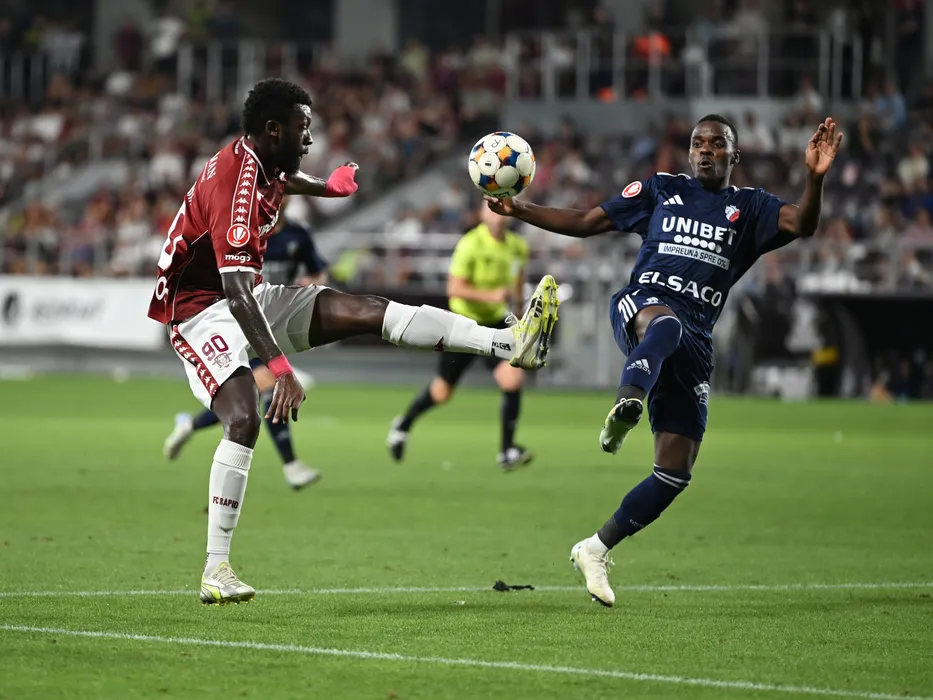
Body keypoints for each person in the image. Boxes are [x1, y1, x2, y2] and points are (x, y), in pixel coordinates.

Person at [147, 78, 560, 605]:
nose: (309, 138)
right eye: (302, 128)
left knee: (367, 311)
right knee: (245, 417)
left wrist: (327, 188)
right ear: (273, 129)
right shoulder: (236, 187)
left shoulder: (263, 160)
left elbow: (283, 178)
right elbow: (235, 292)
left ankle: (509, 343)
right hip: (199, 311)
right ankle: (216, 568)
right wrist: (281, 368)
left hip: (246, 294)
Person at [486, 114, 842, 606]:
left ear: (734, 156)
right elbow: (588, 222)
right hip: (642, 306)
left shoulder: (751, 207)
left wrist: (814, 177)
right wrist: (519, 209)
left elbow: (803, 223)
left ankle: (594, 549)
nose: (706, 150)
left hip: (696, 336)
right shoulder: (661, 189)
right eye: (698, 143)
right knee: (665, 326)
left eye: (717, 144)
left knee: (675, 472)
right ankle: (627, 404)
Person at [161, 197, 328, 490]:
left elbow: (317, 272)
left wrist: (310, 286)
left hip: (272, 324)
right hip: (237, 322)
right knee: (268, 386)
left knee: (246, 397)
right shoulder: (242, 231)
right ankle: (291, 466)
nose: (280, 196)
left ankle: (189, 425)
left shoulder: (297, 235)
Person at [387, 204, 534, 470]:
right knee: (442, 392)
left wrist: (520, 318)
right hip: (462, 325)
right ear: (482, 213)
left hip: (495, 323)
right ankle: (403, 425)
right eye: (492, 210)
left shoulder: (518, 246)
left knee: (512, 378)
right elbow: (454, 288)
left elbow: (518, 282)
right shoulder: (470, 244)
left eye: (502, 209)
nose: (498, 216)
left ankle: (507, 451)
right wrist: (491, 295)